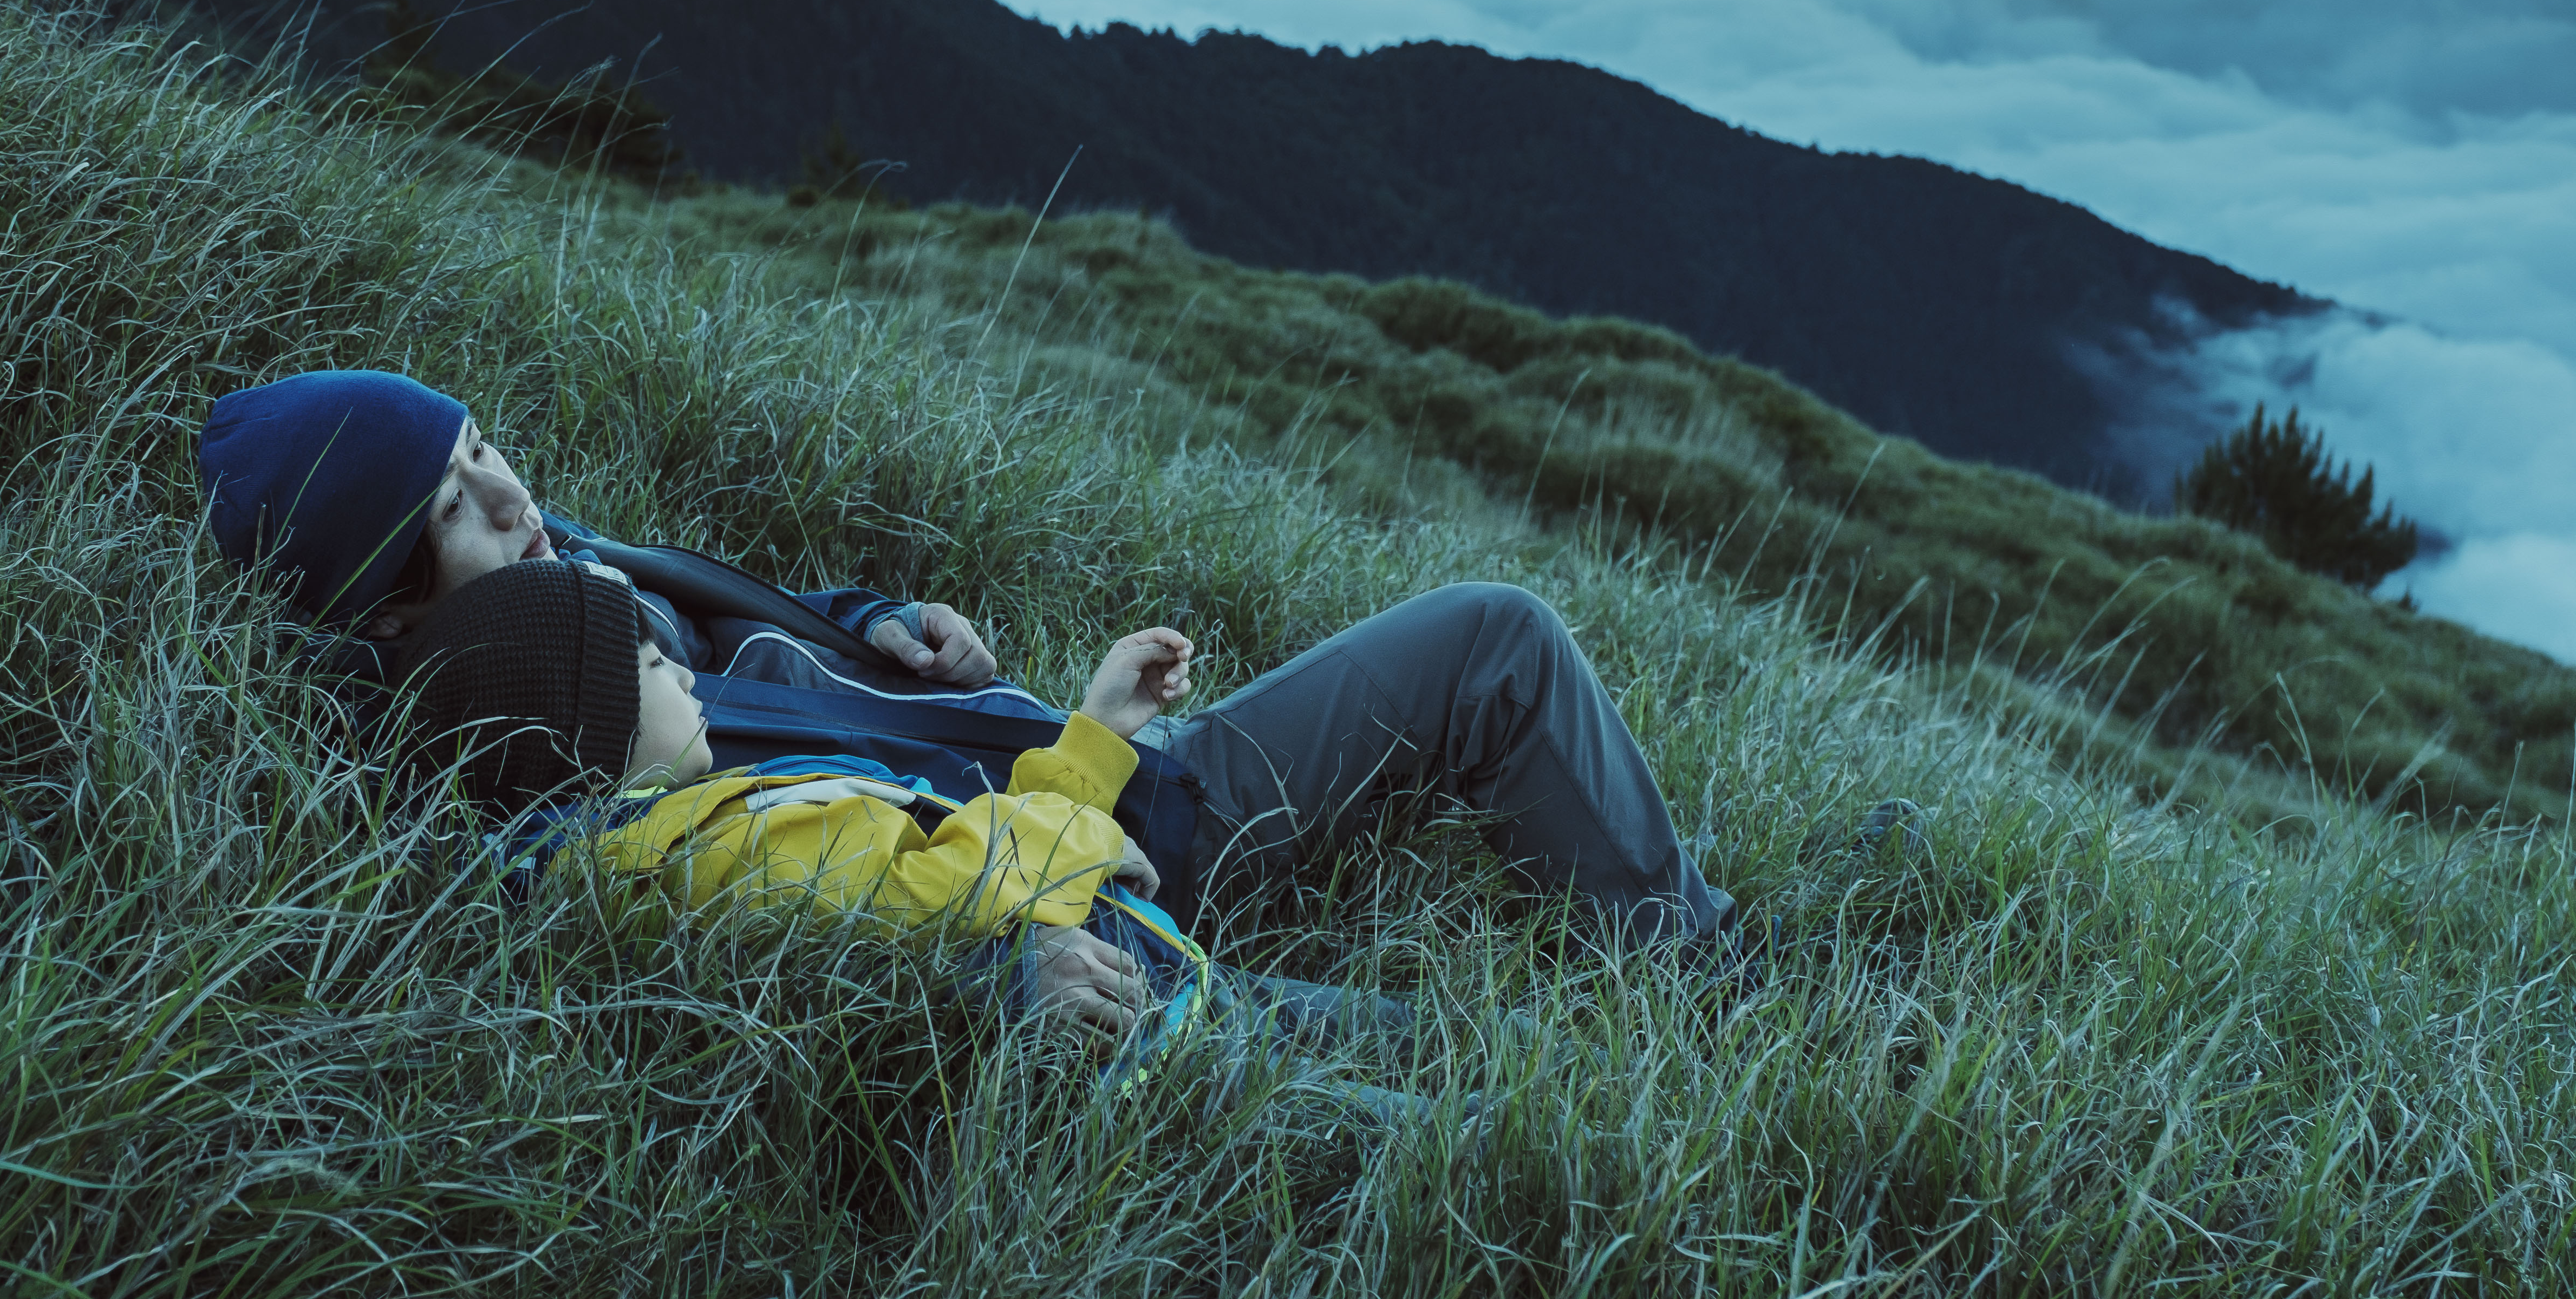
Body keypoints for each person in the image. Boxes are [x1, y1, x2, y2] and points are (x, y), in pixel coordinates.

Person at [194, 369, 1740, 1034]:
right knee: (1447, 1052)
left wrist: (882, 625)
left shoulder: (559, 571)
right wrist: (985, 981)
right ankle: (1688, 1039)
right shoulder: (513, 751)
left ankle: (1696, 967)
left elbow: (761, 622)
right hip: (1081, 891)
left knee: (1494, 636)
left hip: (1086, 779)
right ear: (388, 608)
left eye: (483, 447)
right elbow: (727, 938)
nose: (514, 497)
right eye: (459, 508)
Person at [398, 554, 1454, 1099]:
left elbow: (943, 859)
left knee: (1430, 1044)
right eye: (646, 665)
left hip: (1147, 980)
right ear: (590, 732)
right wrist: (1086, 823)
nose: (680, 670)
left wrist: (1092, 745)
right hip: (1139, 1029)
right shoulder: (700, 845)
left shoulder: (683, 824)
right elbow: (944, 886)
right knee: (1423, 1099)